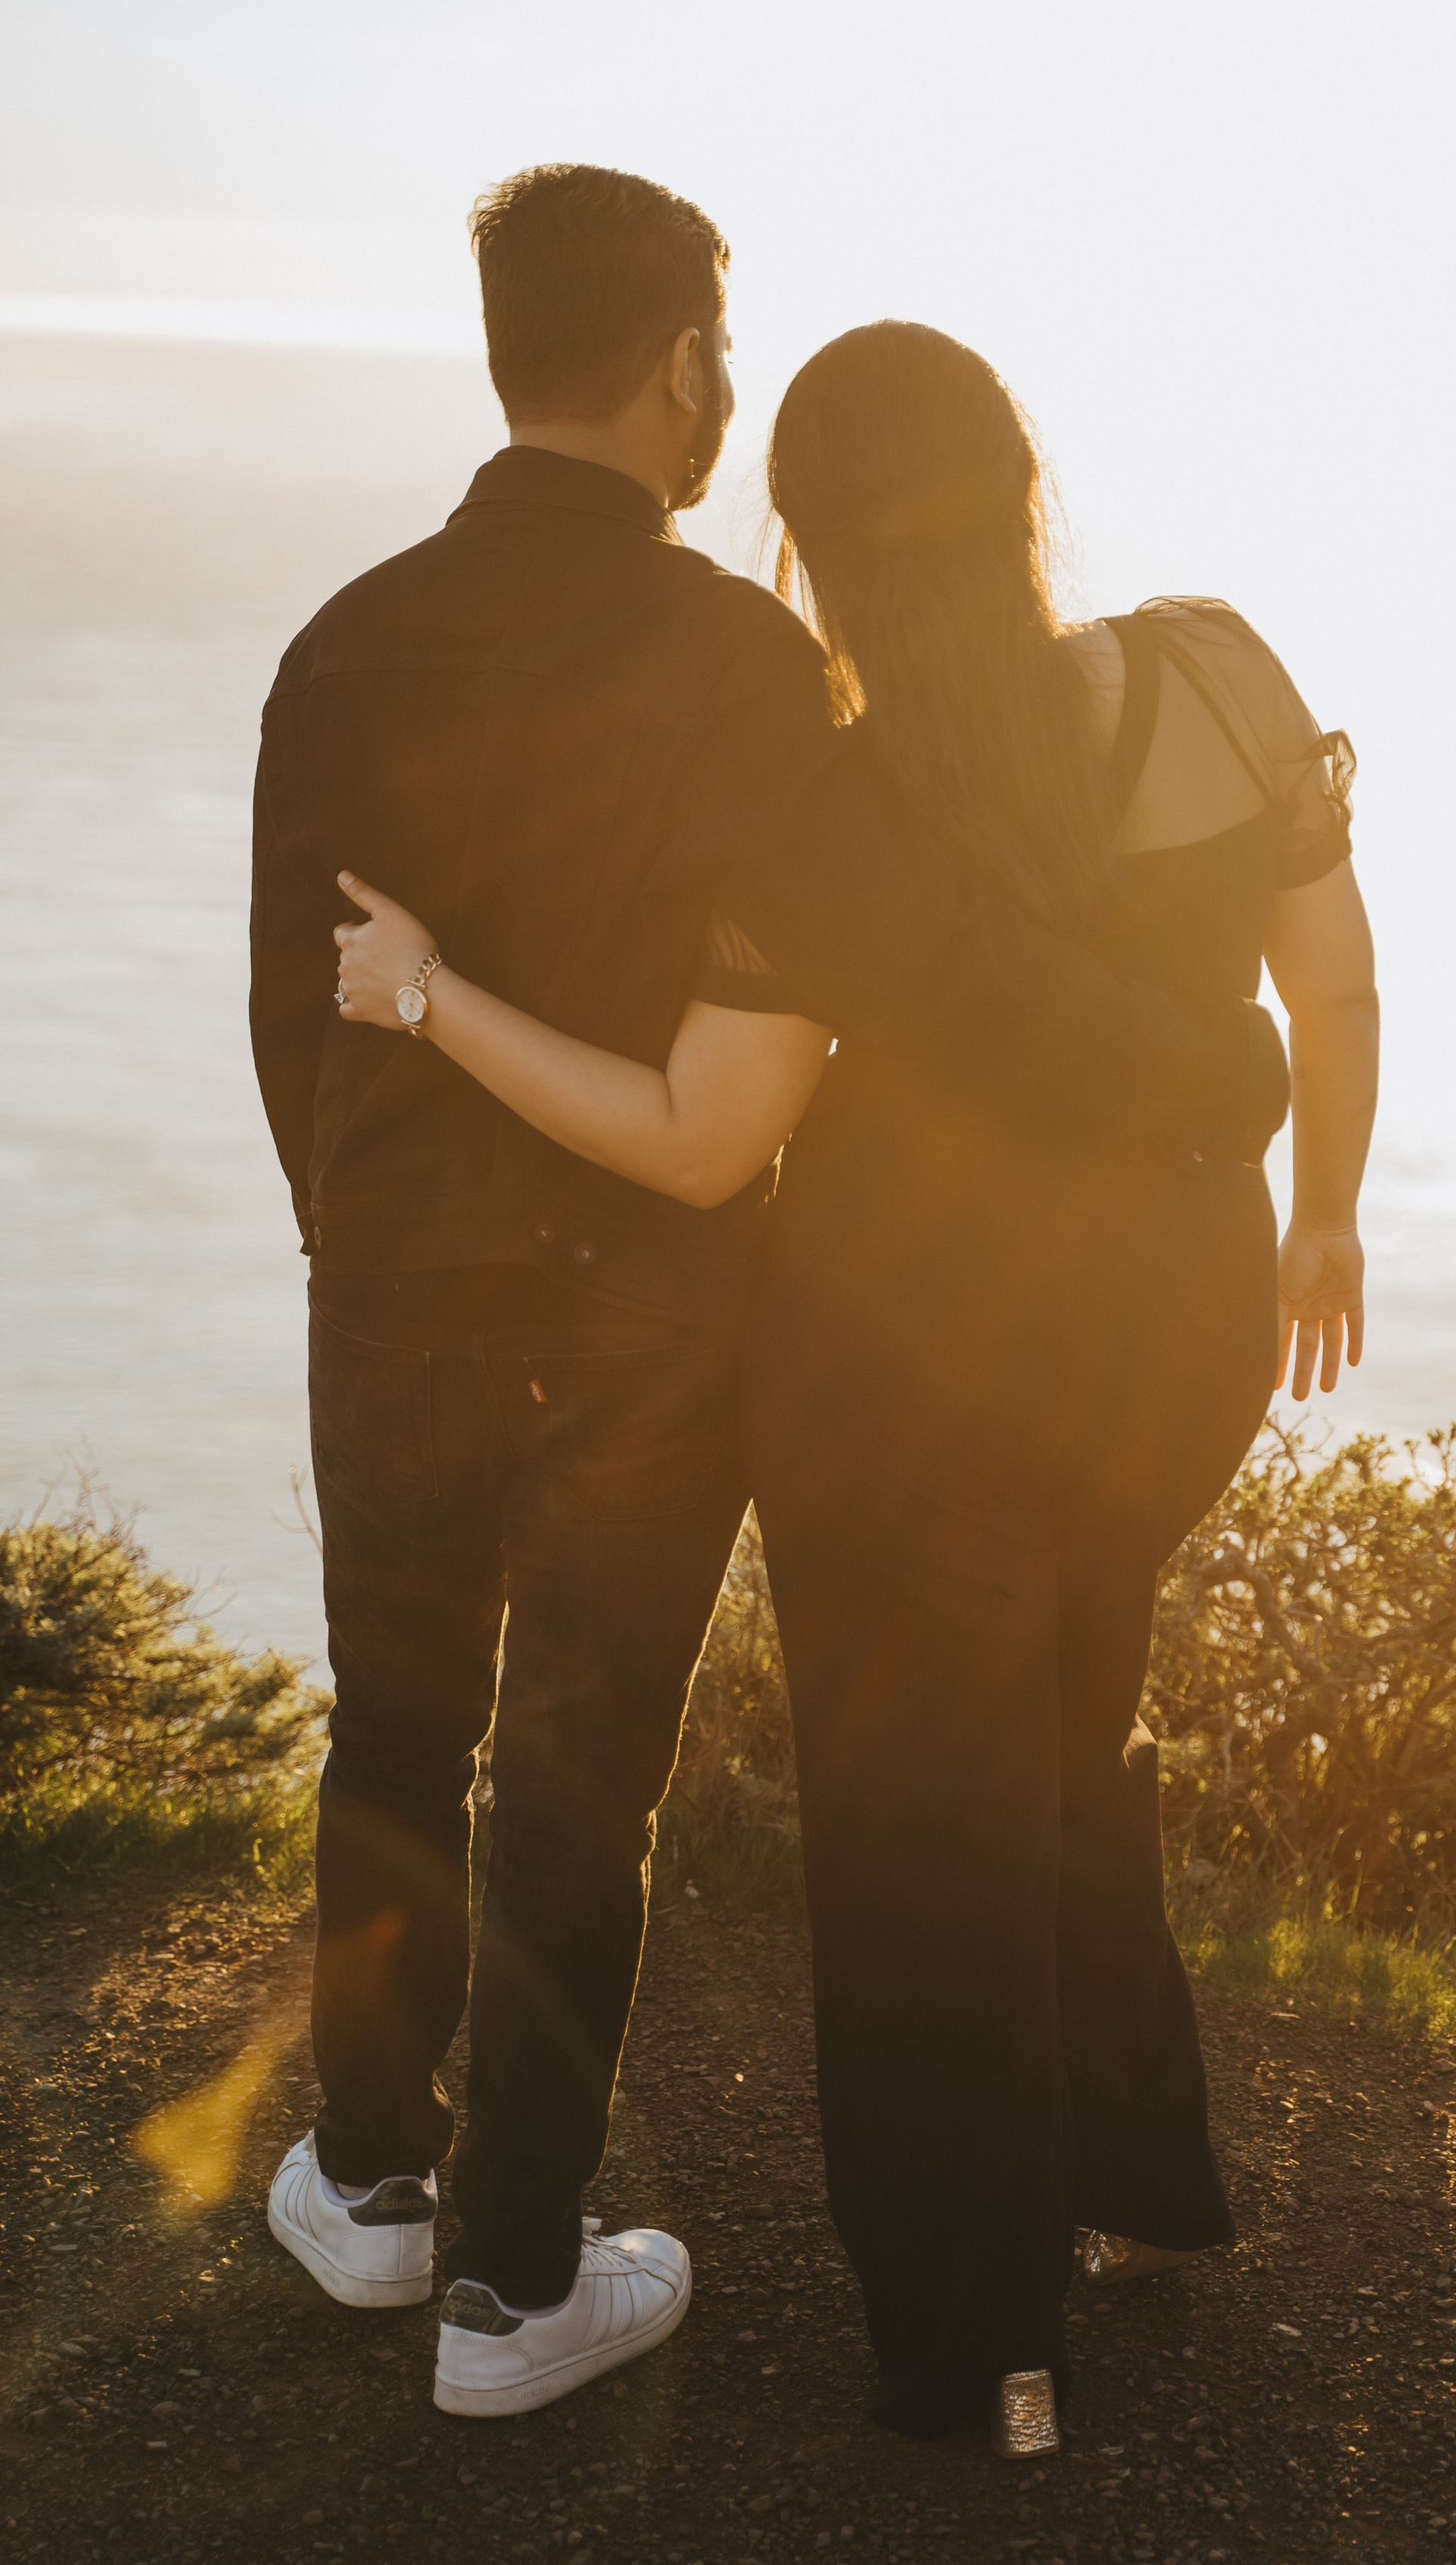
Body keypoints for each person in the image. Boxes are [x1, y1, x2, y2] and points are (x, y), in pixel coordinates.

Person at [250, 176, 1292, 2421]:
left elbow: (290, 1004)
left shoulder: (342, 639)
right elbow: (856, 1015)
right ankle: (518, 2289)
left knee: (399, 1727)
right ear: (683, 367)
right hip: (672, 1304)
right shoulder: (757, 674)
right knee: (589, 1774)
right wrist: (1240, 1098)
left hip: (412, 1281)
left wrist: (369, 1218)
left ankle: (372, 2188)